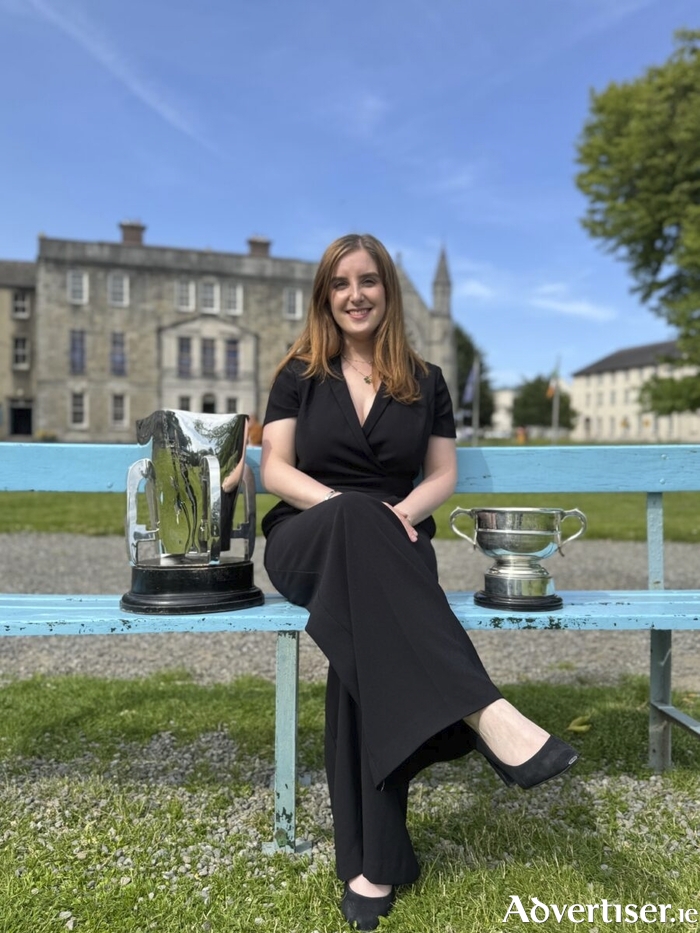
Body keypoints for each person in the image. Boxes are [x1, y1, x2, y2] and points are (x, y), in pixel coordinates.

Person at [259, 234, 578, 931]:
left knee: (367, 650)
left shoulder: (426, 379)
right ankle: (482, 709)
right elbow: (275, 468)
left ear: (389, 290)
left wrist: (397, 513)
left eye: (368, 280)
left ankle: (373, 866)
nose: (355, 295)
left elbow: (442, 474)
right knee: (357, 533)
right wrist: (348, 508)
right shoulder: (299, 372)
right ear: (325, 296)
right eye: (340, 283)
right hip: (308, 536)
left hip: (395, 543)